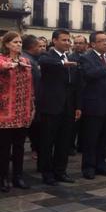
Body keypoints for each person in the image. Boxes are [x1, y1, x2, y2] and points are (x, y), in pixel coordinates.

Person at [37, 29, 80, 185]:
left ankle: (60, 171)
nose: (67, 43)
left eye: (69, 40)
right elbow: (44, 62)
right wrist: (63, 63)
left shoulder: (72, 58)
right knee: (47, 141)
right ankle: (47, 173)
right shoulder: (47, 56)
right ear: (54, 41)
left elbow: (75, 85)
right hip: (51, 106)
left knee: (64, 141)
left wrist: (77, 106)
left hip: (68, 107)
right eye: (64, 40)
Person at [79, 31, 106, 179]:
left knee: (105, 138)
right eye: (102, 41)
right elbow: (88, 74)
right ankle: (88, 166)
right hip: (94, 105)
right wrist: (105, 69)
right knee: (91, 139)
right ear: (93, 44)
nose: (105, 43)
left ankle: (101, 164)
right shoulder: (86, 58)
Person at [0, 32, 34, 192]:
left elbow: (30, 86)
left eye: (20, 42)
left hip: (23, 111)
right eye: (15, 42)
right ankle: (2, 177)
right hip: (5, 112)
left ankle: (18, 176)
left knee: (19, 147)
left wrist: (32, 106)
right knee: (4, 148)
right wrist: (11, 65)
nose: (19, 45)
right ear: (6, 44)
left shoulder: (25, 61)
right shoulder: (2, 60)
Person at [21, 35, 42, 161]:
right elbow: (35, 82)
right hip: (31, 101)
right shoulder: (29, 60)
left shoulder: (32, 59)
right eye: (39, 46)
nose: (41, 49)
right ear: (32, 47)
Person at [69, 35, 88, 154]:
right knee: (73, 123)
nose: (78, 45)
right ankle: (70, 145)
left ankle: (82, 145)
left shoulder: (88, 57)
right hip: (75, 93)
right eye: (76, 43)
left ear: (86, 45)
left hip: (88, 92)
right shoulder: (71, 58)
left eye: (80, 43)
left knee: (85, 123)